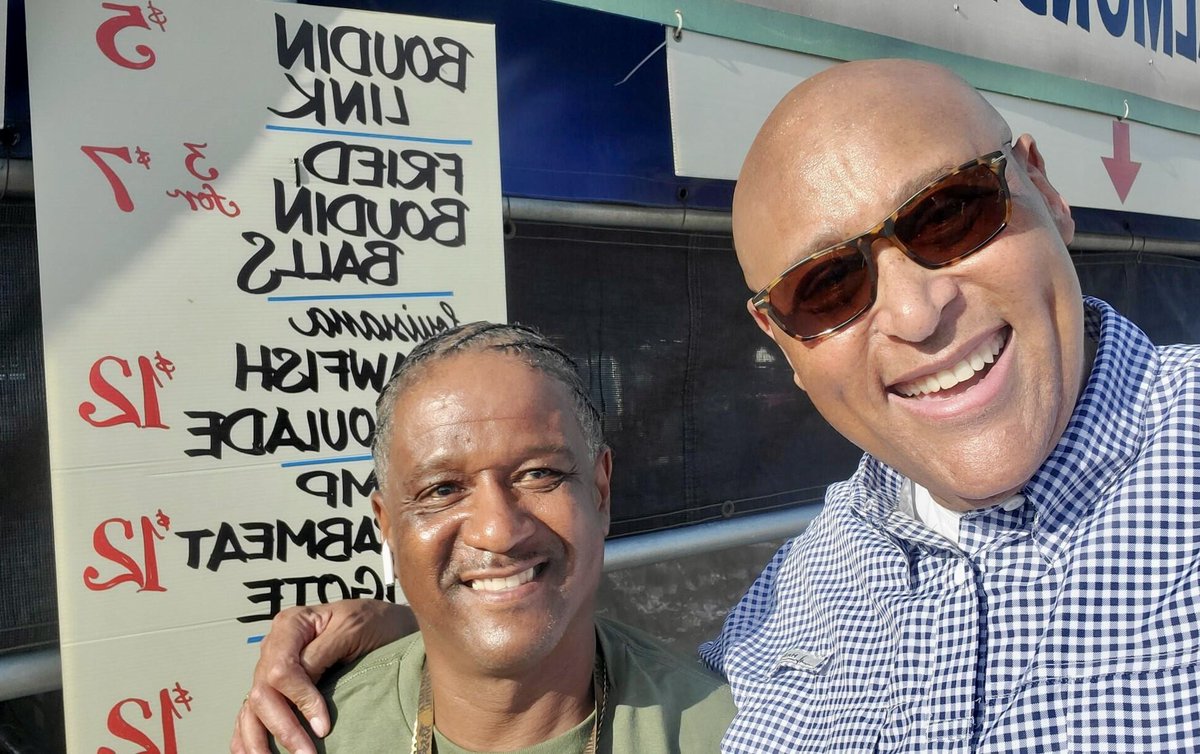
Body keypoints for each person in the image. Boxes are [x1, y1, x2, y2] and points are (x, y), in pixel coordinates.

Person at [237, 59, 1200, 752]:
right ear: (782, 344)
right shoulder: (796, 602)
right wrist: (439, 628)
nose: (916, 311)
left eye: (952, 215)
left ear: (1047, 190)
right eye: (828, 288)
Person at [233, 322, 733, 753]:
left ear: (600, 493)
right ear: (387, 524)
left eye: (539, 474)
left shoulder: (729, 735)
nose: (498, 531)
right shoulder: (308, 736)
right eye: (443, 489)